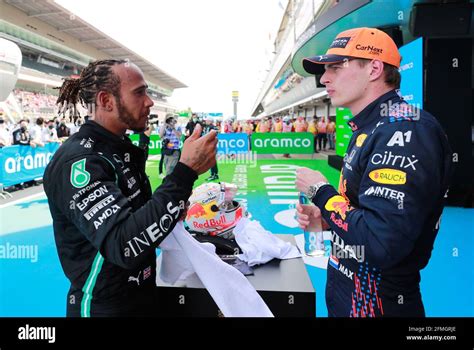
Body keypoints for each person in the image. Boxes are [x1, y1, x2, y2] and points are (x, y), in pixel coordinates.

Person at [295, 27, 453, 317]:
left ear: (374, 68)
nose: (324, 78)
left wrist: (321, 192)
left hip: (378, 304)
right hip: (348, 295)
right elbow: (369, 216)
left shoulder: (406, 130)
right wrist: (329, 220)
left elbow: (381, 243)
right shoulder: (371, 127)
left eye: (334, 68)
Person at [43, 59, 217, 317]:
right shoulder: (79, 162)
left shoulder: (118, 148)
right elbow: (123, 245)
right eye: (139, 92)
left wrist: (167, 213)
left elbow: (136, 219)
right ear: (105, 101)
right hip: (105, 307)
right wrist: (184, 172)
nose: (149, 102)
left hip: (143, 294)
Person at [202, 116, 219, 181]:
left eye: (207, 120)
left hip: (211, 146)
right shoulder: (207, 127)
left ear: (210, 121)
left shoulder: (213, 127)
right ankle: (214, 174)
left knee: (211, 161)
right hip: (208, 146)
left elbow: (214, 135)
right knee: (210, 161)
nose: (206, 121)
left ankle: (214, 174)